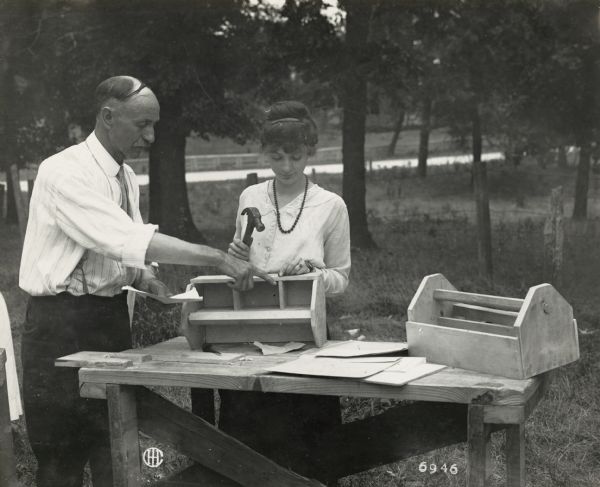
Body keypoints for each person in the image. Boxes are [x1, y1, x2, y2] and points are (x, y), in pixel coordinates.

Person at [19, 75, 274, 487]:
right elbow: (126, 239)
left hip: (109, 319)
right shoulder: (63, 172)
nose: (152, 136)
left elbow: (128, 245)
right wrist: (217, 257)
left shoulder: (125, 177)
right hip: (57, 326)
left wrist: (148, 278)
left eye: (154, 125)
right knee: (60, 457)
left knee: (112, 444)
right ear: (107, 117)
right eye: (142, 125)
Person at [196, 100, 351, 484]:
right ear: (264, 152)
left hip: (304, 341)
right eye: (277, 156)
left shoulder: (331, 206)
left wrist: (315, 274)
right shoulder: (250, 197)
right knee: (246, 448)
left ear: (310, 152)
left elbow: (341, 278)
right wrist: (239, 268)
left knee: (307, 449)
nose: (285, 167)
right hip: (248, 337)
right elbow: (242, 262)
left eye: (295, 157)